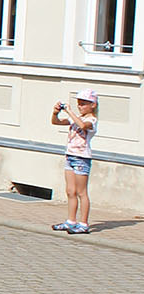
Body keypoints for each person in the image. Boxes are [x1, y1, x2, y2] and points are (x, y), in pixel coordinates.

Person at [52, 89, 100, 235]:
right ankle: (71, 221)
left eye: (84, 104)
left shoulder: (92, 120)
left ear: (93, 105)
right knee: (70, 191)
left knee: (81, 192)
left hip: (82, 158)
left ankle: (84, 223)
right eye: (79, 104)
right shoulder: (77, 117)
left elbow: (83, 126)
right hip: (70, 156)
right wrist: (55, 112)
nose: (80, 107)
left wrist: (70, 112)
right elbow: (56, 122)